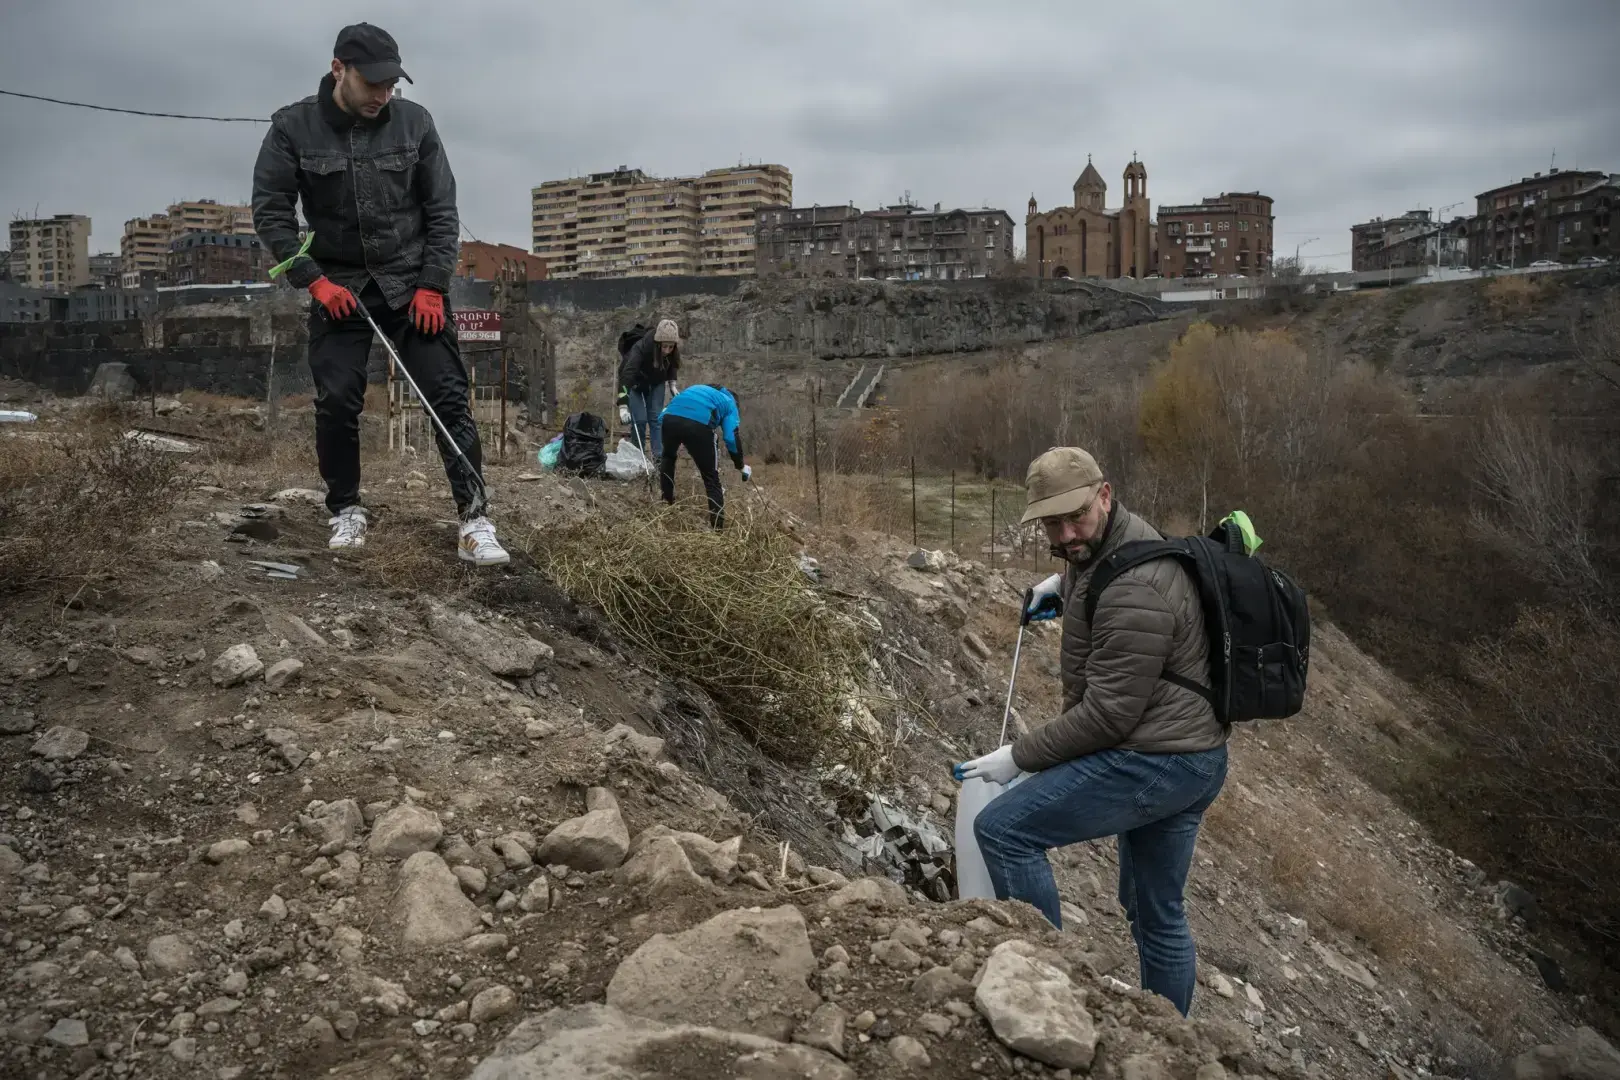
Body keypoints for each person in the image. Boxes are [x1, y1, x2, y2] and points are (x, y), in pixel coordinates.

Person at [957, 446, 1228, 1017]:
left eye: (1075, 517)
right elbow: (1094, 565)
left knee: (1004, 830)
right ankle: (1168, 1037)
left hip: (1158, 759)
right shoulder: (1110, 544)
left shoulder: (1137, 588)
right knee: (1154, 911)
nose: (1066, 533)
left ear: (1104, 495)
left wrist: (1020, 756)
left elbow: (1108, 717)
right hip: (1190, 753)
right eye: (1052, 523)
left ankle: (1050, 993)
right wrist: (1064, 584)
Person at [251, 22, 508, 565]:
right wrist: (314, 281)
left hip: (412, 285)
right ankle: (345, 509)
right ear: (339, 70)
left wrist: (433, 287)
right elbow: (271, 213)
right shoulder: (290, 128)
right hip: (337, 290)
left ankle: (475, 520)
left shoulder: (416, 124)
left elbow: (442, 212)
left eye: (392, 85)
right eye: (373, 84)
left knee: (448, 396)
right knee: (338, 400)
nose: (383, 95)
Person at [657, 384, 749, 528]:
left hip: (669, 419)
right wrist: (741, 466)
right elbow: (731, 438)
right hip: (698, 424)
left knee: (668, 458)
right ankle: (718, 530)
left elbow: (662, 415)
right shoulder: (730, 403)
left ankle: (666, 505)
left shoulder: (697, 389)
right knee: (711, 478)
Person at [618, 319, 682, 458]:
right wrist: (623, 405)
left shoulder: (671, 352)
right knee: (640, 420)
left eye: (671, 347)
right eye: (664, 347)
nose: (667, 350)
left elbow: (672, 364)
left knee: (656, 419)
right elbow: (627, 375)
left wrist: (672, 384)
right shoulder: (641, 348)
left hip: (656, 383)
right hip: (635, 383)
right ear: (658, 343)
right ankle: (637, 457)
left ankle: (659, 459)